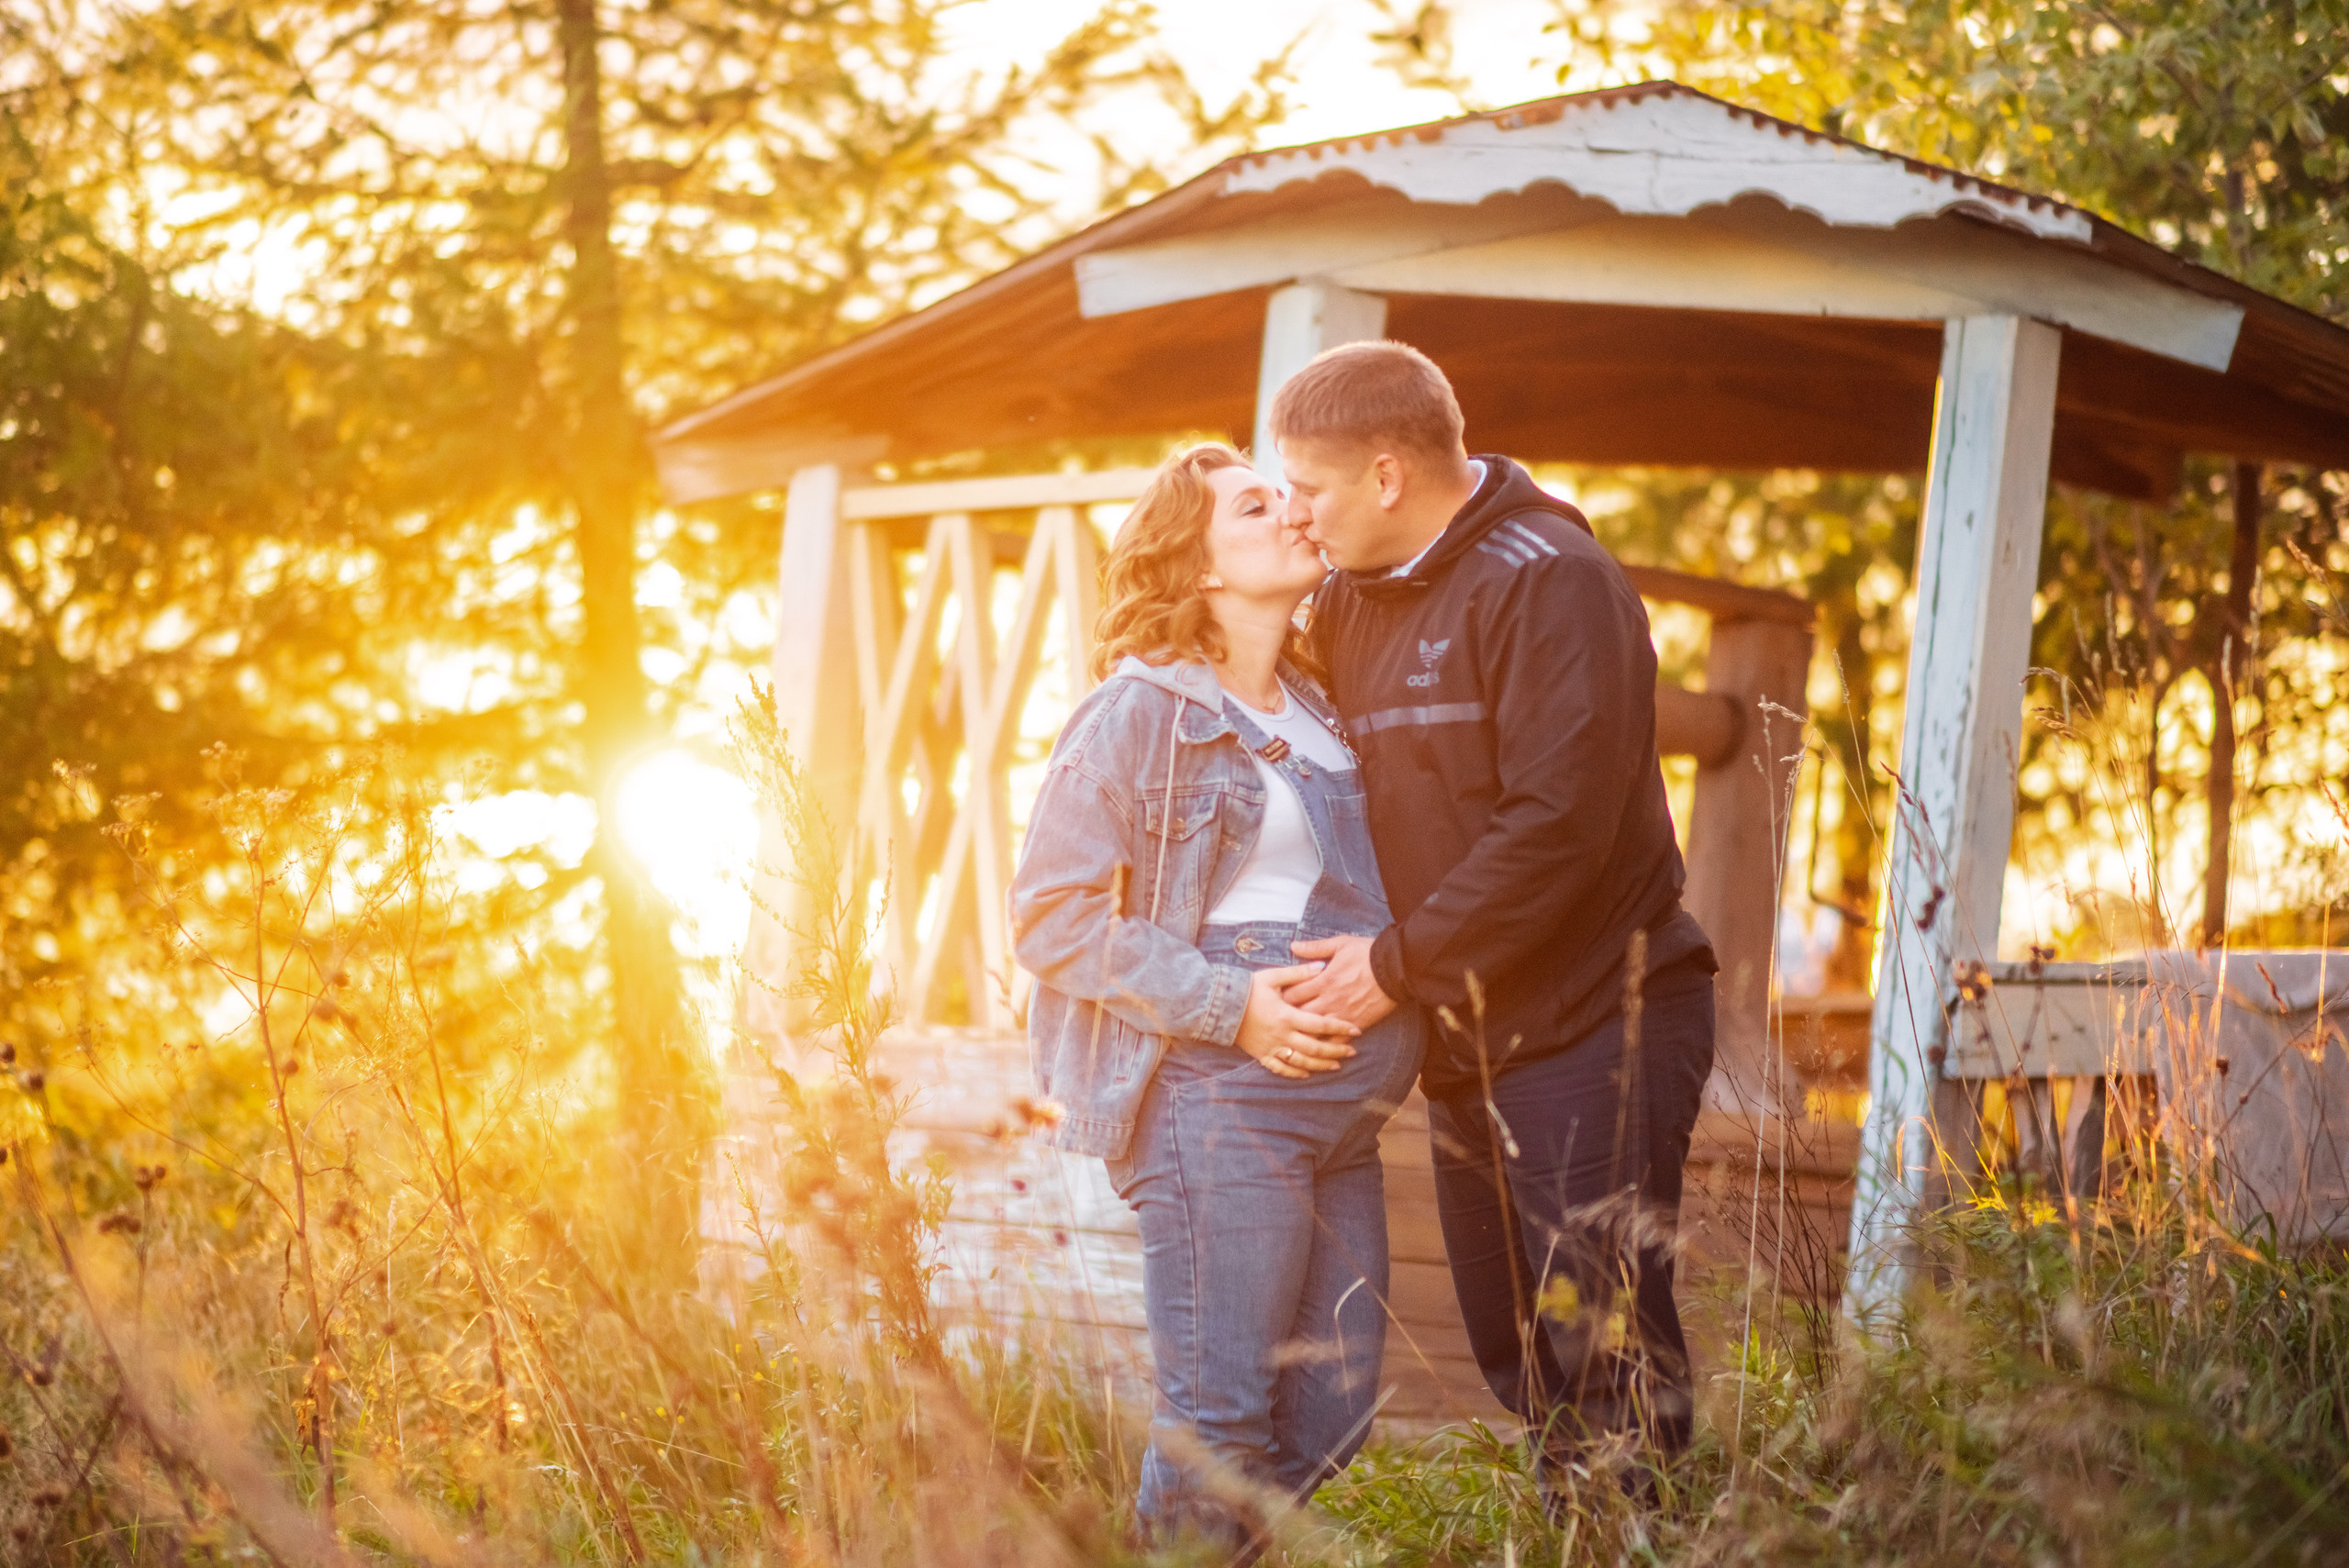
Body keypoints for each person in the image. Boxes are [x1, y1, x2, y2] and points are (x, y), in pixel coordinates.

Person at [1271, 341, 1719, 1493]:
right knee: (1519, 1354)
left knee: (1603, 1343)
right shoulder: (1343, 603)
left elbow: (1555, 827)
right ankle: (1570, 1530)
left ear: (1383, 475)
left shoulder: (1550, 578)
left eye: (1309, 489)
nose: (1298, 516)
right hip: (1467, 1042)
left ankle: (1642, 1533)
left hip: (1592, 1024)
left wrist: (1391, 966)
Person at [1008, 442, 1425, 1552]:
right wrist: (1233, 1003)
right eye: (1254, 505)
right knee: (1220, 1416)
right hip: (1219, 1095)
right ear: (1198, 568)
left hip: (1339, 1104)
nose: (1289, 511)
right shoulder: (1138, 711)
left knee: (1332, 1411)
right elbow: (1050, 915)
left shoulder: (1322, 706)